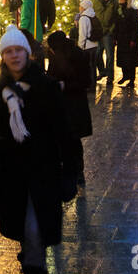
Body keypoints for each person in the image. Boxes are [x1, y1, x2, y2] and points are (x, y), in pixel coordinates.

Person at [0, 27, 79, 274]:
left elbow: (66, 132)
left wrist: (71, 174)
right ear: (3, 56)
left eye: (18, 50)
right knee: (26, 235)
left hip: (43, 173)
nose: (13, 56)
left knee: (34, 230)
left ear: (27, 53)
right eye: (8, 52)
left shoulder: (46, 86)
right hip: (13, 176)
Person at [45, 30, 92, 184]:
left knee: (73, 138)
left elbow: (86, 81)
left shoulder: (77, 55)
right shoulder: (56, 54)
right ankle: (67, 169)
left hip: (74, 104)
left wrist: (65, 85)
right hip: (60, 104)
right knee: (63, 138)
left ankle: (77, 171)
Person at [115, 0, 138, 86]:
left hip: (130, 38)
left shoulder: (132, 11)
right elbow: (117, 23)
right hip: (121, 37)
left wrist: (133, 39)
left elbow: (136, 26)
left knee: (131, 59)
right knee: (122, 58)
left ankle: (131, 79)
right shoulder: (120, 9)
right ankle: (125, 75)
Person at [94, 0, 119, 82]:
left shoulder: (114, 2)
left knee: (109, 55)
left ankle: (110, 76)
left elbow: (116, 17)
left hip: (108, 32)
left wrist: (112, 29)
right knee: (97, 53)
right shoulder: (97, 1)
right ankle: (102, 71)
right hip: (98, 31)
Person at [76, 0, 100, 88]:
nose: (79, 8)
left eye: (81, 6)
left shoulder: (83, 18)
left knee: (87, 67)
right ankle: (93, 85)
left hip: (87, 46)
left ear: (84, 7)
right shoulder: (93, 15)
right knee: (93, 67)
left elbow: (82, 34)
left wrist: (80, 46)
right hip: (95, 44)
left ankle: (89, 86)